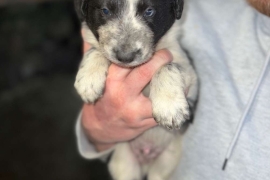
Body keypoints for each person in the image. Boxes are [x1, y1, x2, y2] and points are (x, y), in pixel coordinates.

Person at [76, 0, 270, 179]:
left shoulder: (169, 32)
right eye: (106, 11)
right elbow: (95, 129)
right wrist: (95, 130)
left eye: (149, 11)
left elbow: (187, 78)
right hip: (125, 150)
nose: (125, 50)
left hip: (170, 152)